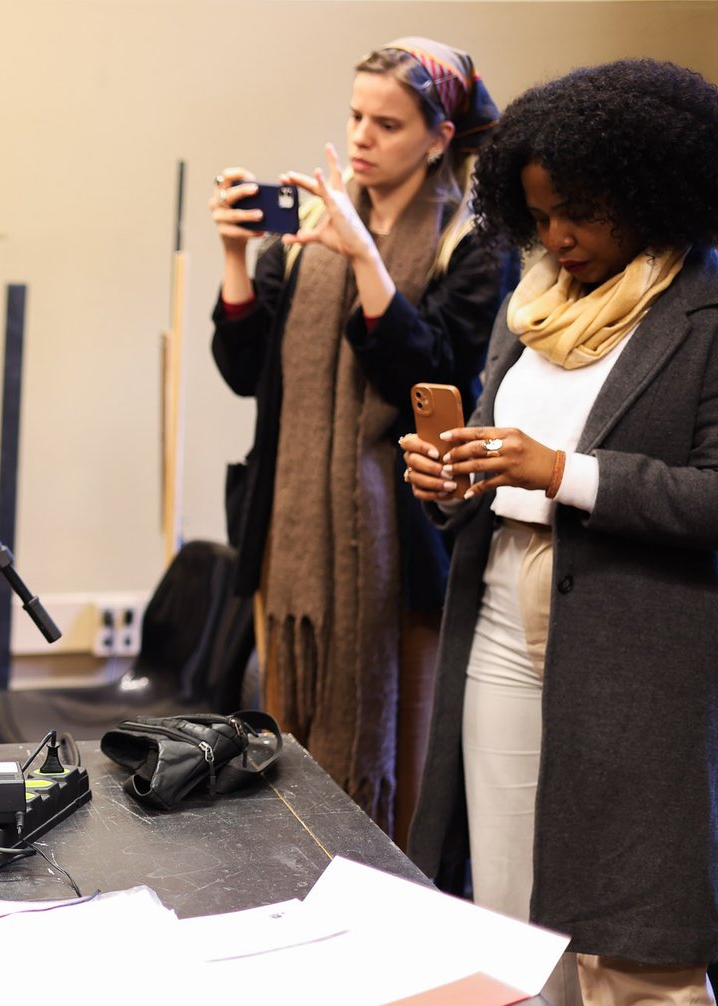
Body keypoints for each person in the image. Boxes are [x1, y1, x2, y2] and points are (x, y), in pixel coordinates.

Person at [402, 58, 718, 1006]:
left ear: (649, 192)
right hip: (501, 607)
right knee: (514, 916)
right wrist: (455, 480)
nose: (558, 237)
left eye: (579, 213)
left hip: (638, 641)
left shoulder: (704, 313)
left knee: (636, 937)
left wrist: (563, 472)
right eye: (538, 215)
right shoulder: (531, 303)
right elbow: (501, 464)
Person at [208, 37, 513, 840]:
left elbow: (435, 377)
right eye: (355, 117)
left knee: (403, 770)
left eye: (388, 123)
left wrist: (367, 261)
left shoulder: (471, 242)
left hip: (404, 547)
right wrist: (236, 257)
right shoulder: (308, 229)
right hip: (292, 540)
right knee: (285, 746)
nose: (362, 138)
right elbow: (246, 373)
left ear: (439, 137)